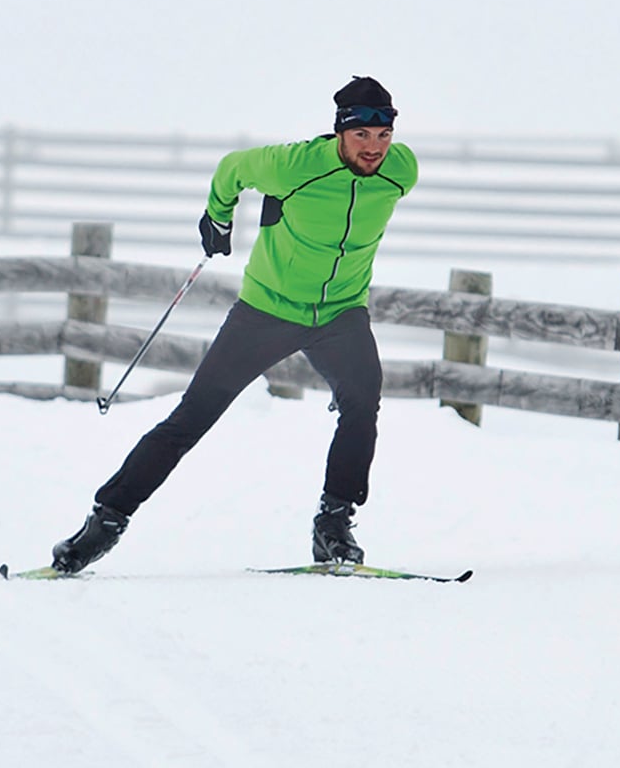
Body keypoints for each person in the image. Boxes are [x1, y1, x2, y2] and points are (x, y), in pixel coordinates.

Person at [49, 75, 418, 574]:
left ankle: (333, 523)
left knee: (362, 402)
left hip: (340, 314)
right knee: (192, 417)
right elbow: (232, 169)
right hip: (267, 311)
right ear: (339, 133)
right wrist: (217, 217)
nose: (374, 148)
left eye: (383, 136)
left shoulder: (401, 171)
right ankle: (105, 522)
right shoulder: (294, 166)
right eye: (362, 136)